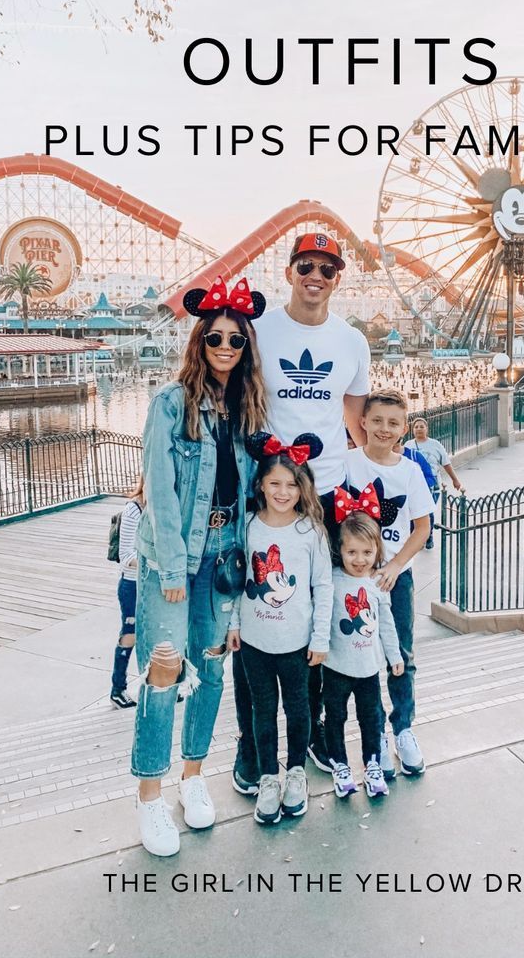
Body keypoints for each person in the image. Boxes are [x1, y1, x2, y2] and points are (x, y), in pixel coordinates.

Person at [130, 275, 266, 857]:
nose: (226, 349)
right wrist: (171, 572)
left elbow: (252, 498)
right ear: (199, 342)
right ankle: (150, 798)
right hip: (174, 557)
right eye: (216, 339)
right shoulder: (170, 404)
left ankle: (192, 777)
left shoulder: (248, 410)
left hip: (224, 560)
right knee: (164, 672)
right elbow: (160, 491)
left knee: (211, 670)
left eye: (236, 341)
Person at [252, 232, 370, 776]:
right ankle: (253, 752)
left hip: (324, 491)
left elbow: (355, 413)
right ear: (290, 271)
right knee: (261, 604)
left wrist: (377, 467)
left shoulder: (352, 341)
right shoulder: (259, 331)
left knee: (320, 606)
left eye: (327, 267)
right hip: (271, 488)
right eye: (307, 265)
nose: (316, 275)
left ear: (337, 277)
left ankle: (320, 731)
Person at [227, 432, 333, 825]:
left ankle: (295, 773)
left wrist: (320, 638)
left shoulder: (310, 532)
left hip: (297, 643)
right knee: (262, 709)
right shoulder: (250, 525)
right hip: (254, 641)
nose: (283, 491)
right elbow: (239, 577)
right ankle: (268, 775)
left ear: (302, 488)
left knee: (298, 707)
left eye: (291, 485)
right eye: (275, 483)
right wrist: (234, 623)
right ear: (260, 485)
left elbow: (323, 586)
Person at [345, 388, 434, 778]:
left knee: (402, 654)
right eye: (377, 420)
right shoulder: (345, 464)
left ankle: (403, 728)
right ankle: (375, 734)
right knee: (361, 658)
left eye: (393, 423)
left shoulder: (410, 470)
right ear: (362, 422)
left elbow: (422, 526)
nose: (384, 429)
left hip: (394, 578)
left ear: (403, 428)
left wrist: (396, 565)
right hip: (353, 578)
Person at [323, 500, 403, 799]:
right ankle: (340, 765)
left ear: (377, 553)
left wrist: (394, 656)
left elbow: (386, 624)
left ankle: (371, 764)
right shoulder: (331, 580)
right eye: (352, 552)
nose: (359, 559)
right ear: (340, 550)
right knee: (335, 717)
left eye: (367, 553)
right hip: (335, 667)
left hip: (369, 669)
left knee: (371, 718)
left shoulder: (377, 584)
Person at [110, 475, 144, 709]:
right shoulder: (133, 510)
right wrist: (157, 562)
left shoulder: (165, 508)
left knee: (156, 634)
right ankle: (117, 687)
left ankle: (157, 684)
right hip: (132, 584)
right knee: (130, 633)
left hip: (153, 584)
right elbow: (126, 557)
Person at [404, 417, 462, 548]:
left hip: (432, 484)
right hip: (414, 485)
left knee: (427, 511)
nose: (419, 429)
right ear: (412, 430)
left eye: (421, 426)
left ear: (427, 428)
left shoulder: (435, 444)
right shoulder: (408, 445)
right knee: (414, 512)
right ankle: (415, 538)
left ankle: (428, 536)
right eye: (416, 427)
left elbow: (446, 463)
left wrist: (455, 480)